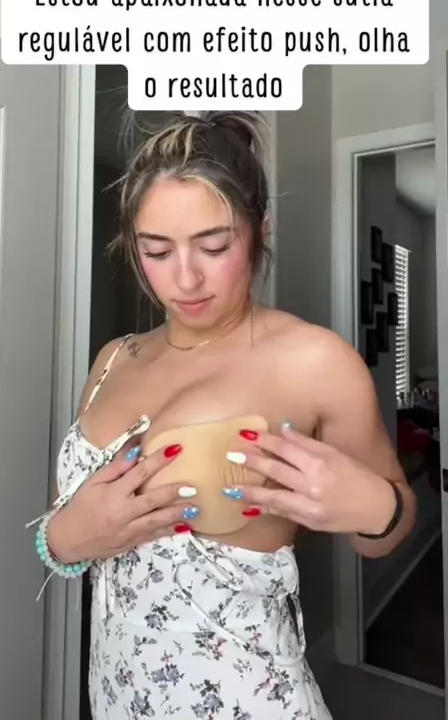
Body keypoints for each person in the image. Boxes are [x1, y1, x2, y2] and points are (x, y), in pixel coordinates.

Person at [35, 110, 416, 719]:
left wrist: (372, 505)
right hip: (115, 692)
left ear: (260, 231)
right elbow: (61, 523)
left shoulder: (315, 361)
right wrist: (65, 538)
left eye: (215, 246)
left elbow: (391, 527)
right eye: (157, 251)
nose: (185, 278)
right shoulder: (113, 359)